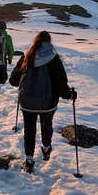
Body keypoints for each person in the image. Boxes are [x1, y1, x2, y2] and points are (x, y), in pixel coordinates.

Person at [9, 30, 72, 173]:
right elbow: (61, 83)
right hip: (48, 102)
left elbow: (13, 81)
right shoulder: (54, 58)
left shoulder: (27, 56)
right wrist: (69, 94)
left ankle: (29, 160)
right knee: (46, 124)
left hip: (27, 102)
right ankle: (46, 148)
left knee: (29, 129)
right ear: (49, 42)